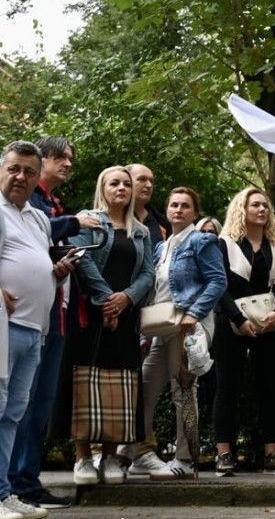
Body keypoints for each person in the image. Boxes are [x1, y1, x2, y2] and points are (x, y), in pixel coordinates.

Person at [12, 136, 97, 511]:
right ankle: (15, 484)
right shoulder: (26, 203)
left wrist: (62, 264)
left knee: (38, 403)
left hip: (55, 313)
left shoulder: (45, 206)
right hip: (21, 319)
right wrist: (75, 223)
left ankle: (25, 481)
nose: (67, 164)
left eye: (71, 160)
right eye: (60, 157)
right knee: (18, 403)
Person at [124, 187, 227, 479]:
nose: (178, 210)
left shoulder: (203, 241)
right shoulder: (162, 246)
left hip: (189, 325)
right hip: (161, 327)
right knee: (142, 390)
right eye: (173, 205)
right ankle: (133, 453)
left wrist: (195, 312)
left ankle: (186, 461)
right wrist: (145, 334)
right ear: (167, 211)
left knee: (183, 390)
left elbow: (218, 281)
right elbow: (156, 291)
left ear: (195, 212)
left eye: (185, 206)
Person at [0, 141, 77, 519]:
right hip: (4, 325)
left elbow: (35, 263)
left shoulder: (36, 217)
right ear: (2, 169)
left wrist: (56, 273)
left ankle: (5, 493)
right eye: (14, 169)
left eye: (29, 172)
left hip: (36, 328)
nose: (21, 177)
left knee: (14, 412)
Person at [68, 166, 155, 486]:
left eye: (126, 184)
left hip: (126, 317)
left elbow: (148, 274)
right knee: (85, 383)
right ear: (102, 188)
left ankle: (108, 457)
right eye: (114, 183)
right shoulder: (87, 220)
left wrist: (126, 299)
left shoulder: (141, 230)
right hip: (90, 315)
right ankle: (83, 459)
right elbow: (82, 260)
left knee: (118, 388)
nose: (121, 188)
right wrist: (107, 300)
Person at [212, 187, 275, 477]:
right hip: (231, 322)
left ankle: (272, 456)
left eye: (265, 206)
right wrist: (237, 318)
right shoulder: (225, 244)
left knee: (271, 389)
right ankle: (224, 454)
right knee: (226, 389)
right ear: (242, 209)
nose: (262, 210)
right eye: (255, 205)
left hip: (269, 323)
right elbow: (217, 284)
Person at [127, 164, 167, 248]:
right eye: (142, 179)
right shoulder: (111, 218)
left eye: (151, 181)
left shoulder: (162, 222)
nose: (149, 185)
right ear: (126, 182)